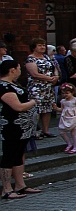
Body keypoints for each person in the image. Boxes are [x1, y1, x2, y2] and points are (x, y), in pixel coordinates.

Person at [1, 60, 43, 200]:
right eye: (19, 68)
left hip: (22, 128)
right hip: (10, 127)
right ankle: (6, 189)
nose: (20, 71)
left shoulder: (13, 85)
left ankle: (20, 185)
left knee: (18, 155)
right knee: (9, 156)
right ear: (12, 70)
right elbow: (17, 107)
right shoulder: (4, 87)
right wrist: (33, 102)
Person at [25, 39, 59, 138]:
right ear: (34, 47)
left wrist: (56, 77)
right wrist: (49, 78)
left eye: (43, 45)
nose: (42, 47)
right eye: (40, 45)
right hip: (37, 87)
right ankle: (34, 131)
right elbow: (34, 73)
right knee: (36, 109)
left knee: (47, 108)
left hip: (48, 87)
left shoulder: (47, 57)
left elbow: (55, 68)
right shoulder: (31, 59)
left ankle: (46, 130)